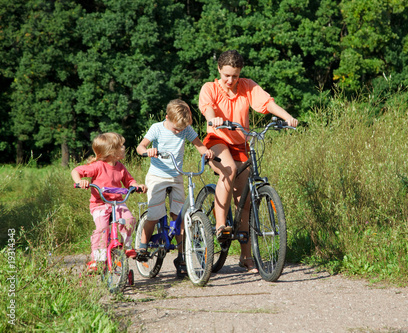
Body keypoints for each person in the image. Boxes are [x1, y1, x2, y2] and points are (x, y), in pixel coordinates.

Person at [199, 50, 298, 273]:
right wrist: (213, 119)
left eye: (234, 76)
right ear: (219, 71)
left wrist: (286, 117)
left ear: (240, 73)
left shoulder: (247, 86)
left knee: (244, 202)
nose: (230, 80)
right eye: (226, 75)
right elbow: (208, 108)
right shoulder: (210, 88)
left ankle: (245, 257)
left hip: (241, 144)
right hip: (217, 140)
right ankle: (220, 225)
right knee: (229, 169)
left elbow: (267, 103)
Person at [136, 99, 214, 276]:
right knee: (154, 214)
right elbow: (140, 146)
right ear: (167, 118)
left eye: (181, 129)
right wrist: (147, 151)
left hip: (177, 176)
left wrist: (206, 152)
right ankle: (142, 244)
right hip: (157, 176)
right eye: (176, 129)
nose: (179, 131)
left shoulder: (186, 128)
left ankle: (182, 257)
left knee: (179, 217)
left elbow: (199, 145)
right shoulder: (157, 128)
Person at [71, 132, 147, 273]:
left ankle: (126, 247)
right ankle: (97, 259)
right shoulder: (98, 166)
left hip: (118, 203)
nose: (124, 148)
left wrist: (136, 186)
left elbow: (129, 181)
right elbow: (76, 171)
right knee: (102, 228)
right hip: (100, 204)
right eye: (121, 146)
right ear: (111, 152)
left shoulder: (120, 167)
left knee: (129, 219)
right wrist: (79, 181)